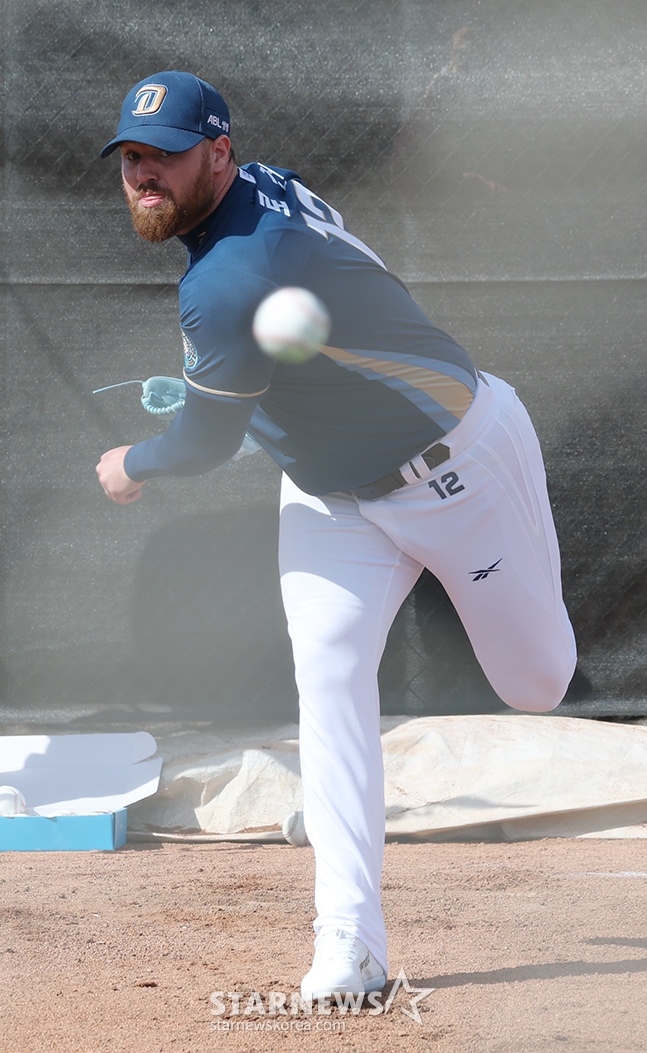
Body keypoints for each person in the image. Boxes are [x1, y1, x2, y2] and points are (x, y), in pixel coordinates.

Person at [96, 70, 577, 999]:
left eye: (166, 155)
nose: (143, 173)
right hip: (331, 497)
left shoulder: (225, 280)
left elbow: (204, 442)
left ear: (219, 153)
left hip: (460, 465)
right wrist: (248, 395)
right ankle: (350, 939)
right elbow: (304, 332)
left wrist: (134, 462)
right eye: (131, 155)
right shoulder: (259, 191)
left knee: (538, 684)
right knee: (327, 676)